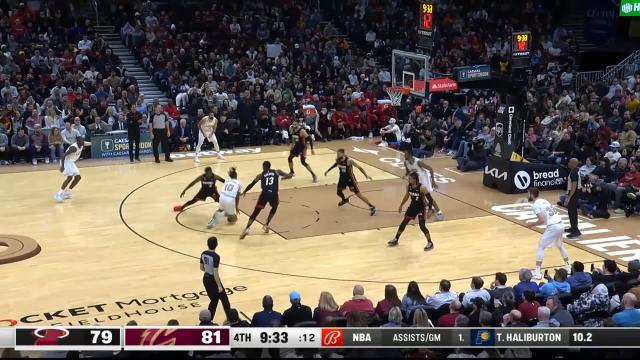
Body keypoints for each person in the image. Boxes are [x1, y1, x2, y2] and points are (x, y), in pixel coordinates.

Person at [239, 161, 293, 239]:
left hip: (264, 194)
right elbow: (289, 176)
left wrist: (245, 191)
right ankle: (266, 224)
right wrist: (287, 176)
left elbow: (251, 184)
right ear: (270, 166)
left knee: (256, 211)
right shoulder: (277, 172)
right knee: (274, 207)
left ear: (263, 167)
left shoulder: (261, 175)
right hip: (274, 194)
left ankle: (247, 228)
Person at [526, 187, 571, 279]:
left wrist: (532, 224)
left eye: (528, 193)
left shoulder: (535, 205)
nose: (527, 195)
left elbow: (542, 220)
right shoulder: (544, 201)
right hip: (561, 223)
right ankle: (568, 267)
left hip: (553, 226)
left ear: (531, 194)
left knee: (541, 247)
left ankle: (537, 272)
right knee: (560, 245)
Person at [387, 172, 434, 251]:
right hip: (412, 207)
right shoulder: (408, 186)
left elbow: (430, 199)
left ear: (415, 180)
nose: (408, 180)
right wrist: (401, 205)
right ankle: (396, 239)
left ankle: (430, 242)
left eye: (410, 179)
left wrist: (429, 210)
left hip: (421, 208)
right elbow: (406, 196)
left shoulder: (422, 187)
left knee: (422, 226)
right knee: (404, 222)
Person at [324, 149, 377, 215]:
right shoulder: (338, 160)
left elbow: (360, 167)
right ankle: (344, 200)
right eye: (337, 154)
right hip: (342, 179)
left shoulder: (349, 161)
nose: (337, 155)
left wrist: (366, 175)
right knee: (338, 192)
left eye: (338, 154)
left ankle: (372, 207)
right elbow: (335, 164)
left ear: (343, 154)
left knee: (358, 194)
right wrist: (328, 170)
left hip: (350, 180)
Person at [403, 148, 444, 220]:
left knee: (429, 197)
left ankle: (439, 213)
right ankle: (432, 209)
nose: (404, 155)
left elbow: (430, 169)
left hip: (424, 179)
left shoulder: (418, 162)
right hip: (417, 181)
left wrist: (433, 181)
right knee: (422, 199)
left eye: (405, 153)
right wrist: (405, 175)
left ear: (409, 154)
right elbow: (408, 171)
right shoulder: (405, 163)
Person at [200, 236, 232, 322]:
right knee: (224, 299)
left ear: (207, 244)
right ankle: (231, 319)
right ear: (216, 245)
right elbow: (215, 273)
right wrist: (219, 286)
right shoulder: (216, 257)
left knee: (214, 300)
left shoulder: (203, 253)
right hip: (213, 280)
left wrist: (207, 271)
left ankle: (207, 321)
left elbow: (201, 268)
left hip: (205, 279)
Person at [55, 136, 84, 202]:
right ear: (77, 141)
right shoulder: (73, 148)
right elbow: (63, 156)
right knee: (69, 177)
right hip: (66, 162)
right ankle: (59, 193)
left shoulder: (82, 144)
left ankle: (67, 192)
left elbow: (87, 143)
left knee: (78, 177)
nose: (82, 142)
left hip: (71, 162)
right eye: (81, 141)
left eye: (83, 140)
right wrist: (62, 166)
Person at [565, 158, 581, 239]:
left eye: (569, 162)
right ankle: (573, 228)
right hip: (575, 193)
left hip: (574, 194)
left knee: (572, 212)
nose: (568, 163)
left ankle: (575, 231)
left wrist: (569, 197)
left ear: (573, 163)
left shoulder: (574, 173)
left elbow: (574, 186)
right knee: (571, 212)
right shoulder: (576, 170)